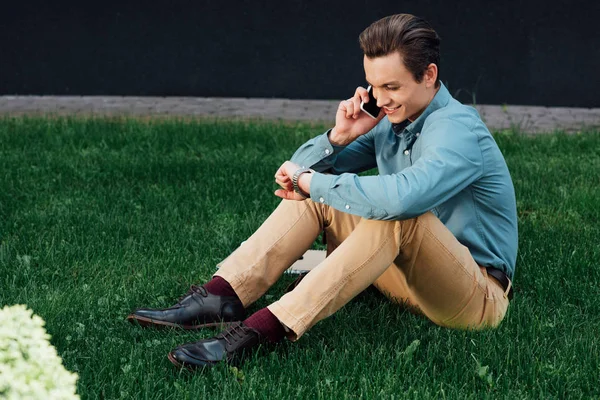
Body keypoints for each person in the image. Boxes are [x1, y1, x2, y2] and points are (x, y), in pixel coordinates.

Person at [127, 13, 518, 370]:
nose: (380, 100)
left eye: (392, 86)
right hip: (404, 277)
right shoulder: (392, 118)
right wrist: (339, 136)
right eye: (375, 86)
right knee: (320, 195)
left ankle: (260, 331)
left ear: (429, 75)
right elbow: (297, 174)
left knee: (397, 215)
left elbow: (402, 199)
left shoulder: (457, 129)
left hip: (473, 296)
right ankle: (222, 295)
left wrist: (310, 181)